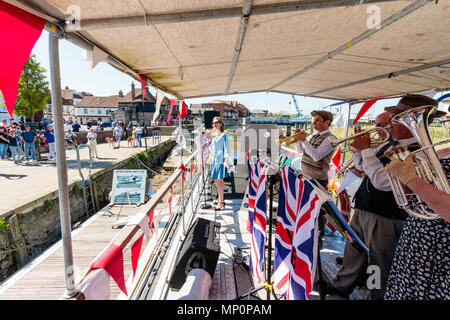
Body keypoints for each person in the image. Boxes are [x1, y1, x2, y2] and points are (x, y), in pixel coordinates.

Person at [326, 111, 415, 300]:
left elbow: (382, 182)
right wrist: (359, 150)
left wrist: (366, 150)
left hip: (384, 214)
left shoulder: (411, 148)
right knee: (353, 251)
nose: (380, 129)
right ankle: (340, 288)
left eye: (383, 124)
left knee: (378, 261)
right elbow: (362, 167)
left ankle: (377, 295)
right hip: (365, 207)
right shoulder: (387, 144)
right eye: (378, 124)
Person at [381, 94, 450, 300]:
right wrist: (405, 178)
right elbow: (415, 197)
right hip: (418, 236)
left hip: (439, 249)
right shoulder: (442, 151)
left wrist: (409, 177)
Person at [294, 110, 337, 189]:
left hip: (317, 179)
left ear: (327, 122)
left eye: (317, 120)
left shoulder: (330, 138)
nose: (314, 123)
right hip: (305, 175)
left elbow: (316, 157)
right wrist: (298, 140)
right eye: (314, 120)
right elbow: (300, 151)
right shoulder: (314, 136)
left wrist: (304, 140)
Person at [208, 117, 232, 211]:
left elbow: (226, 149)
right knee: (216, 181)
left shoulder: (224, 135)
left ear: (221, 124)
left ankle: (221, 202)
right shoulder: (214, 135)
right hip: (213, 160)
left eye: (217, 122)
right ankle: (219, 199)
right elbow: (212, 148)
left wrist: (226, 161)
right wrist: (209, 157)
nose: (215, 124)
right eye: (213, 123)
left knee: (220, 181)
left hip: (220, 160)